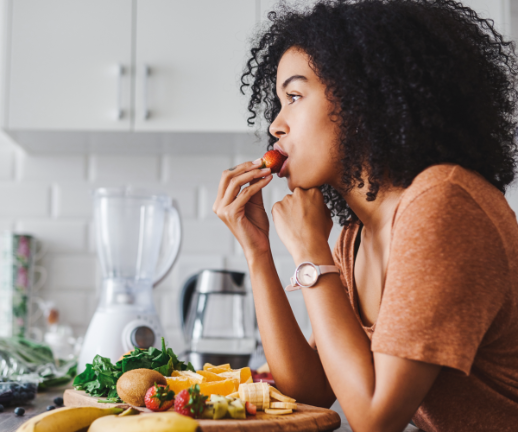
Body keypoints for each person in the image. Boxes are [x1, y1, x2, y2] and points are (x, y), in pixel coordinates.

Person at [213, 1, 518, 430]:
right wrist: (258, 253)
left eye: (295, 96)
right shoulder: (355, 237)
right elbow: (314, 388)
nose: (276, 126)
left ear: (362, 100)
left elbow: (375, 418)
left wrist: (308, 251)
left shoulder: (444, 204)